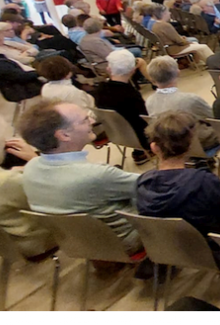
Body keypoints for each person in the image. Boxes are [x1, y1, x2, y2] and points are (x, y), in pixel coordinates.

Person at [19, 101, 143, 254]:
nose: (92, 121)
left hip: (78, 243)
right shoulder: (97, 175)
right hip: (125, 241)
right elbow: (155, 186)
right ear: (64, 135)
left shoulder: (30, 168)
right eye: (84, 120)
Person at [136, 111, 220, 269]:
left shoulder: (143, 184)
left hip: (176, 250)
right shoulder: (204, 182)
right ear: (190, 145)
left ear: (154, 148)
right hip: (218, 251)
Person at [0, 110, 55, 258]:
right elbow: (59, 196)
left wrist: (17, 173)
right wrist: (36, 160)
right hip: (35, 241)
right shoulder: (5, 182)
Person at [146, 56, 219, 155]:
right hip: (198, 144)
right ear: (178, 72)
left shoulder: (149, 101)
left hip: (170, 146)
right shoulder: (190, 100)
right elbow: (215, 119)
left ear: (152, 79)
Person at [93, 49, 151, 163]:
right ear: (133, 70)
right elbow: (145, 120)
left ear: (108, 69)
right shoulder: (131, 95)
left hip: (116, 134)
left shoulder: (100, 90)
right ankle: (144, 151)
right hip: (140, 138)